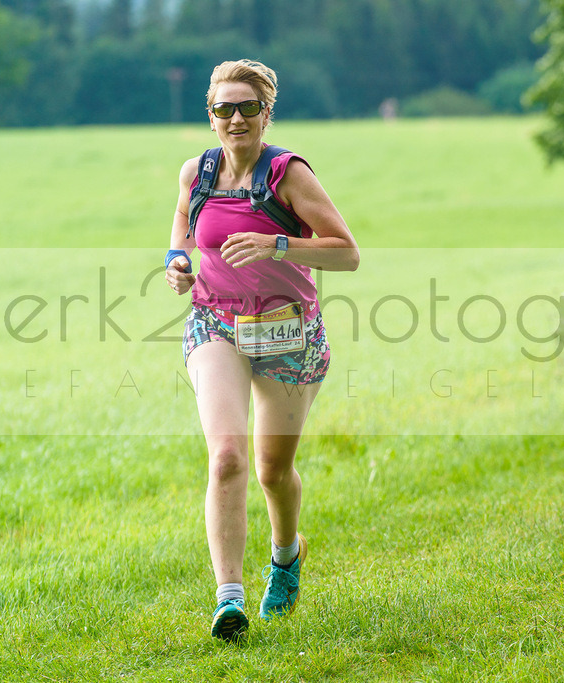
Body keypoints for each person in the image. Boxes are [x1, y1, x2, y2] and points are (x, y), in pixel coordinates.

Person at [164, 59, 359, 641]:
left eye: (248, 106)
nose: (235, 118)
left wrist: (279, 244)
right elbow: (182, 221)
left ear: (266, 113)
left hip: (286, 329)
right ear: (211, 114)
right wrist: (176, 261)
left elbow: (346, 253)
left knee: (274, 471)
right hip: (214, 324)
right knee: (226, 457)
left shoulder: (287, 175)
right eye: (224, 108)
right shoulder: (196, 174)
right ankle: (229, 599)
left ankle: (285, 556)